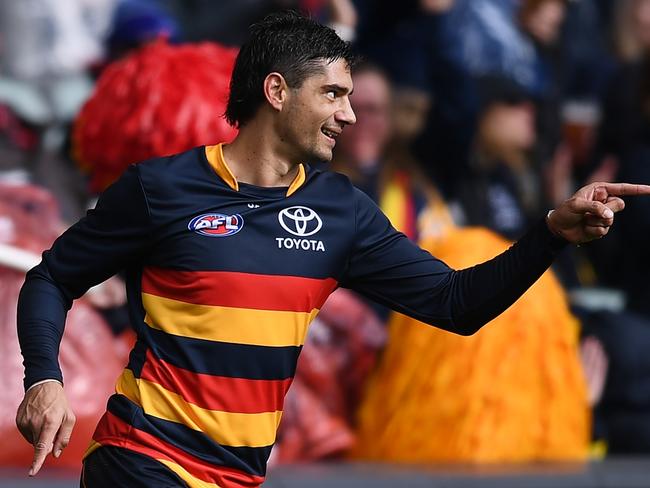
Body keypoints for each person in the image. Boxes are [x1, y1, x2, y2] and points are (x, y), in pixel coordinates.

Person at [14, 10, 650, 488]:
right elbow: (50, 279)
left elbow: (458, 305)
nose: (348, 116)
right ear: (276, 91)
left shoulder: (340, 211)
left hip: (238, 474)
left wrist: (548, 236)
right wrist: (44, 378)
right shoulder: (161, 188)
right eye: (333, 94)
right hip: (143, 458)